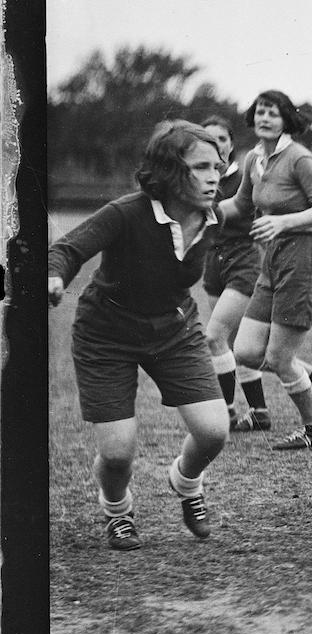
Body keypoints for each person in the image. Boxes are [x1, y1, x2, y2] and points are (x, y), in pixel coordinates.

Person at [47, 120, 229, 549]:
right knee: (116, 454)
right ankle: (117, 512)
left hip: (174, 329)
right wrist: (54, 277)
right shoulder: (127, 212)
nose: (213, 176)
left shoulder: (214, 217)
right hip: (105, 335)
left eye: (217, 167)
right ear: (168, 171)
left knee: (213, 431)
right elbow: (67, 249)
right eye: (200, 167)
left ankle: (186, 483)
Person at [223, 89, 312, 451]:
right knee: (244, 351)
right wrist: (200, 209)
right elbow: (241, 205)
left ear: (286, 119)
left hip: (302, 262)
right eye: (259, 111)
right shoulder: (253, 159)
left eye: (272, 113)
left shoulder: (299, 158)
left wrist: (282, 222)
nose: (264, 118)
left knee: (277, 358)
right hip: (271, 263)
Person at [197, 115, 271, 432]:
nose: (216, 146)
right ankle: (262, 410)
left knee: (214, 336)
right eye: (208, 140)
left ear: (231, 144)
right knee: (237, 344)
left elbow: (264, 210)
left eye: (222, 139)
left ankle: (225, 413)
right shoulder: (196, 179)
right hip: (212, 263)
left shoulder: (244, 177)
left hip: (243, 260)